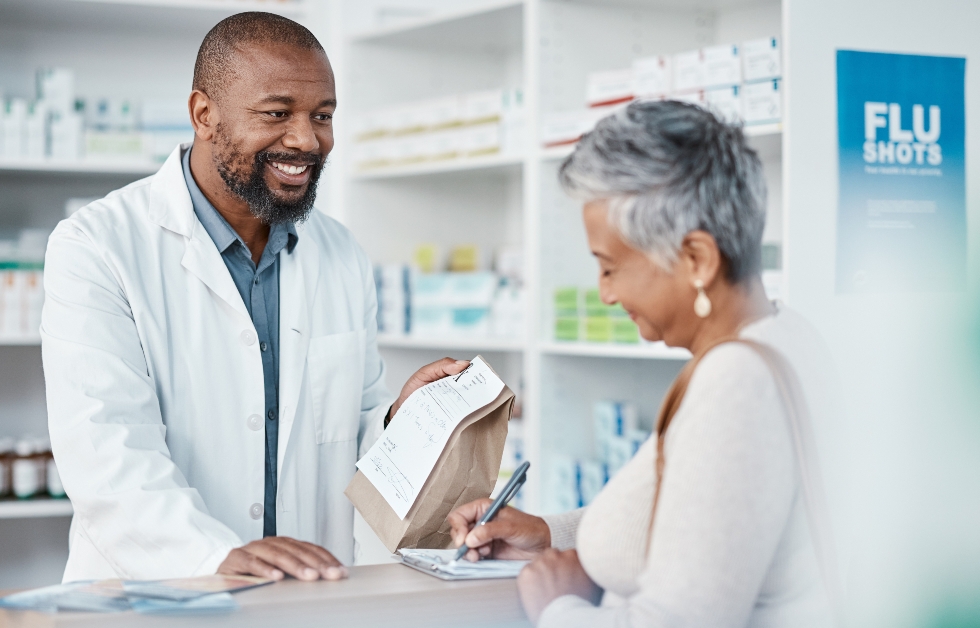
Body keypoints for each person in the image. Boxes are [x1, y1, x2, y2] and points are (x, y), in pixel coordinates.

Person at [41, 12, 468, 584]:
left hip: (305, 596)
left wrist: (399, 421)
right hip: (158, 595)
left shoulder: (339, 252)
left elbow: (348, 437)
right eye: (276, 113)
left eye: (322, 116)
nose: (306, 139)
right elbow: (106, 452)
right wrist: (210, 556)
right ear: (203, 115)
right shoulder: (98, 245)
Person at [448, 101, 837, 627]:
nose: (605, 294)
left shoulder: (737, 383)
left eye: (610, 268)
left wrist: (558, 608)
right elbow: (693, 517)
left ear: (696, 259)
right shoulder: (785, 335)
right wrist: (547, 535)